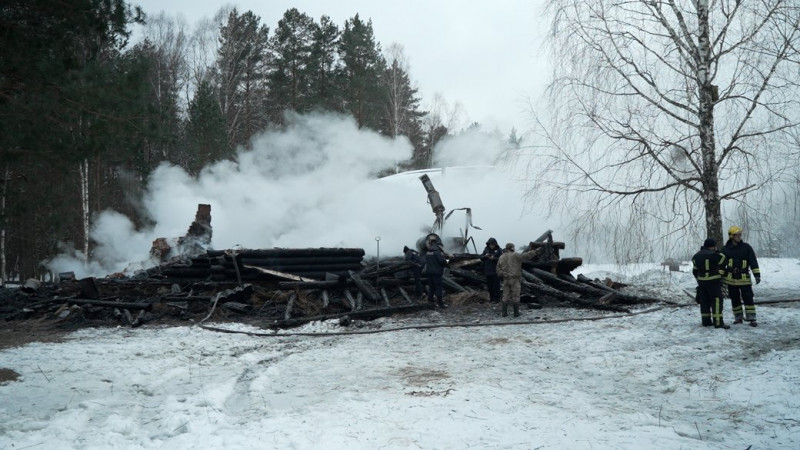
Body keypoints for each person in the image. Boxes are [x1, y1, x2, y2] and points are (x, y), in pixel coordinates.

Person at [721, 226, 761, 327]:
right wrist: (720, 277)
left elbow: (753, 261)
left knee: (748, 297)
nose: (739, 236)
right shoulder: (725, 249)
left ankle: (751, 318)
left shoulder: (746, 247)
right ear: (731, 236)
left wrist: (757, 275)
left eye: (739, 234)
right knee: (734, 298)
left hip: (744, 278)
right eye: (736, 235)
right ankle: (738, 317)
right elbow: (721, 264)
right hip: (731, 279)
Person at [692, 238, 729, 329]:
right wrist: (717, 252)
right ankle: (718, 322)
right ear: (712, 246)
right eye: (715, 246)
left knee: (704, 301)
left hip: (702, 283)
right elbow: (724, 259)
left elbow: (694, 270)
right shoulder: (714, 254)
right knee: (716, 300)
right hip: (713, 282)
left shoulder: (696, 256)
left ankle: (706, 321)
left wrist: (699, 279)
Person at [495, 242, 540, 317]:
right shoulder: (515, 255)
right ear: (512, 248)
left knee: (505, 295)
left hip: (506, 279)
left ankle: (504, 313)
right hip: (515, 279)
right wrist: (535, 251)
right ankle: (516, 313)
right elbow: (526, 256)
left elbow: (498, 269)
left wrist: (504, 274)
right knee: (515, 296)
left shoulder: (501, 257)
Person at [421, 233, 448, 308]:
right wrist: (447, 261)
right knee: (438, 288)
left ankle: (430, 302)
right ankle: (440, 304)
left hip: (429, 272)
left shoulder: (429, 252)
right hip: (437, 273)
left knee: (431, 287)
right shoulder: (437, 252)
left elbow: (426, 261)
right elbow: (442, 262)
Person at [480, 237, 503, 303]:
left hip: (496, 271)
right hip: (487, 271)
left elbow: (501, 259)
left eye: (493, 244)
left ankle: (497, 299)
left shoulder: (499, 250)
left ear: (495, 244)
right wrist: (485, 256)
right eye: (490, 244)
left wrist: (494, 258)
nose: (491, 246)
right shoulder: (486, 250)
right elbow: (481, 257)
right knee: (489, 286)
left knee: (496, 286)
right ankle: (491, 298)